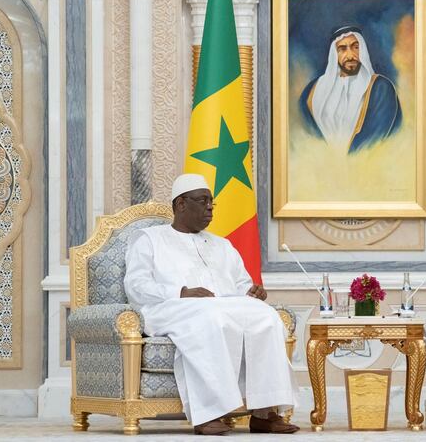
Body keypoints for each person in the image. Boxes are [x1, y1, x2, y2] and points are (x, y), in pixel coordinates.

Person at [124, 174, 299, 435]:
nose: (209, 208)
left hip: (219, 307)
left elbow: (240, 283)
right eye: (202, 201)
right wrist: (181, 292)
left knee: (266, 315)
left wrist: (251, 292)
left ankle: (265, 412)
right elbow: (136, 285)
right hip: (168, 307)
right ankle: (209, 413)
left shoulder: (223, 244)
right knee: (210, 317)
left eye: (211, 203)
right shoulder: (149, 239)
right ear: (181, 204)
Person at [298, 25, 402, 154]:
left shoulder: (380, 88)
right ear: (334, 54)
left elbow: (374, 140)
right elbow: (306, 134)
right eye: (342, 49)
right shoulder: (312, 92)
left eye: (355, 47)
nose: (350, 55)